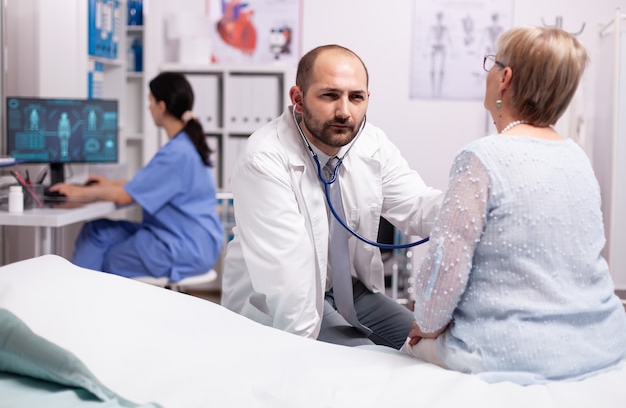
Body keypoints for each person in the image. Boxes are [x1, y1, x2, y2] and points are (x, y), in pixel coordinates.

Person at [402, 26, 626, 384]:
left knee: (406, 350)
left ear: (505, 78)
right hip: (602, 341)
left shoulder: (481, 157)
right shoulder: (576, 157)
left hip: (509, 350)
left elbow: (446, 268)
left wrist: (426, 326)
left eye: (492, 63)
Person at [220, 44, 443, 349]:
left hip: (350, 293)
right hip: (287, 299)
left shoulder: (372, 144)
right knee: (365, 363)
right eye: (329, 95)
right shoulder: (264, 158)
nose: (344, 111)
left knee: (435, 348)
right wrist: (307, 361)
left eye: (356, 97)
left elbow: (418, 207)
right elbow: (290, 285)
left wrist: (473, 204)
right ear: (298, 99)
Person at [49, 72, 224, 282]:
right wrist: (109, 184)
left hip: (183, 245)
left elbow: (125, 197)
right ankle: (75, 292)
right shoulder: (185, 145)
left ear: (162, 106)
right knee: (96, 230)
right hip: (193, 239)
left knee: (111, 259)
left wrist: (80, 191)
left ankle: (79, 299)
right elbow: (146, 185)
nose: (148, 107)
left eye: (150, 101)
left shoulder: (176, 154)